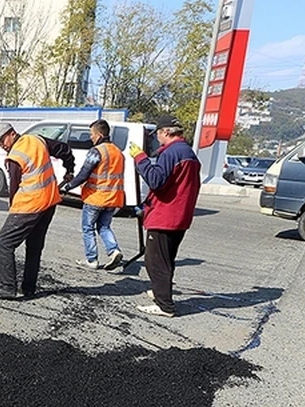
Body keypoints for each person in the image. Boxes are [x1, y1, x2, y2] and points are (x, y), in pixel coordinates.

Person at [0, 122, 75, 299]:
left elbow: (14, 189)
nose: (2, 145)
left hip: (30, 205)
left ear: (12, 133)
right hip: (49, 203)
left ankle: (7, 287)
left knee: (4, 242)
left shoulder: (15, 157)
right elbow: (64, 149)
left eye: (2, 140)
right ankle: (28, 287)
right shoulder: (37, 140)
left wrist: (14, 212)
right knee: (34, 246)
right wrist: (70, 169)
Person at [128, 115, 201, 317]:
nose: (157, 138)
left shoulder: (171, 153)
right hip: (179, 215)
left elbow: (156, 180)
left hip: (166, 216)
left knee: (155, 260)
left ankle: (164, 305)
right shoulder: (187, 152)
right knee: (166, 258)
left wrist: (140, 158)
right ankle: (161, 291)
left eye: (158, 134)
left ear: (166, 132)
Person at [60, 119, 125, 271]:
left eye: (92, 134)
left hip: (96, 197)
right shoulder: (118, 152)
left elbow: (84, 174)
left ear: (100, 134)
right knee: (104, 226)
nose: (91, 137)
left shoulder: (97, 151)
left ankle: (92, 260)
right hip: (113, 198)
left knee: (88, 228)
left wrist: (69, 186)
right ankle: (114, 250)